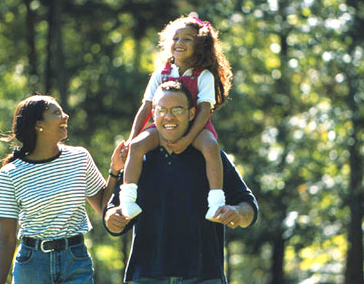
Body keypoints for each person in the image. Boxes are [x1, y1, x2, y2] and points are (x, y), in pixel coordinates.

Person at [104, 81, 258, 283]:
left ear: (191, 114)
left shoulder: (212, 158)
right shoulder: (137, 161)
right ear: (153, 113)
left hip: (204, 276)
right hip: (146, 276)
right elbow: (114, 212)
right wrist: (111, 219)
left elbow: (249, 207)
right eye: (161, 110)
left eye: (177, 109)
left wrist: (238, 213)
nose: (168, 117)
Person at [0, 95, 125, 284]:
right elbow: (6, 238)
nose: (66, 116)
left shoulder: (79, 158)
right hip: (32, 266)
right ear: (38, 124)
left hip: (75, 261)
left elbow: (104, 207)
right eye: (57, 113)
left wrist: (114, 170)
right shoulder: (10, 173)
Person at [120, 14, 234, 222]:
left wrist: (187, 139)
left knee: (210, 147)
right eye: (175, 38)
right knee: (137, 146)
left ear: (199, 45)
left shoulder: (204, 76)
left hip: (197, 128)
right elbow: (146, 107)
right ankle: (127, 199)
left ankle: (216, 202)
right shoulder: (160, 74)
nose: (179, 43)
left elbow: (203, 111)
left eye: (187, 39)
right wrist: (131, 139)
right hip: (162, 127)